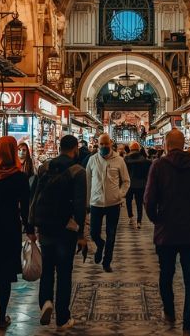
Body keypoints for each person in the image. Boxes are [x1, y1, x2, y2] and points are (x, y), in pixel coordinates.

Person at [144, 129, 190, 336]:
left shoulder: (158, 166)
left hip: (166, 232)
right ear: (183, 145)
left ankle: (169, 311)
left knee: (166, 274)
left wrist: (156, 220)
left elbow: (149, 200)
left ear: (166, 145)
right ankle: (188, 325)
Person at [28, 134, 87, 330]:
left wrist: (30, 227)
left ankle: (45, 301)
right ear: (75, 149)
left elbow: (34, 198)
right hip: (66, 228)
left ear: (60, 147)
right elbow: (80, 205)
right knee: (64, 272)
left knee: (47, 268)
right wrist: (81, 234)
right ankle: (62, 318)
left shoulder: (44, 167)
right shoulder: (78, 171)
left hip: (45, 226)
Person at [0, 136, 33, 329]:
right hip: (9, 228)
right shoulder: (19, 177)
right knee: (3, 274)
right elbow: (25, 208)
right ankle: (1, 316)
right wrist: (29, 230)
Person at [85, 133, 130, 272]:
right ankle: (100, 245)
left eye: (106, 143)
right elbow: (87, 182)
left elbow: (126, 181)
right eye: (101, 144)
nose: (104, 146)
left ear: (111, 143)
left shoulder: (119, 161)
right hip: (96, 203)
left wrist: (119, 195)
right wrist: (87, 203)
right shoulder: (92, 160)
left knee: (111, 234)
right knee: (94, 233)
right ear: (98, 145)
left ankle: (107, 261)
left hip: (113, 204)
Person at [124, 141, 152, 229]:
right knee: (139, 203)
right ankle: (139, 221)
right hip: (141, 185)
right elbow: (147, 174)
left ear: (130, 149)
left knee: (128, 201)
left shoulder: (125, 159)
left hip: (128, 184)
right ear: (139, 149)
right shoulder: (145, 160)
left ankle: (130, 216)